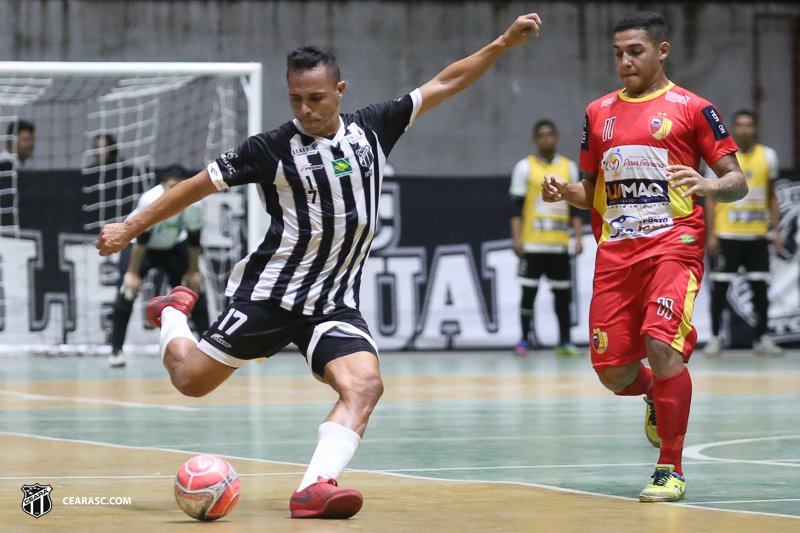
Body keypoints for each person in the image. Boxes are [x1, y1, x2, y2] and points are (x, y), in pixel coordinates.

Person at [96, 13, 543, 519]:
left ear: (339, 90)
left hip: (332, 303)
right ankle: (174, 312)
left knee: (365, 385)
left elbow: (446, 81)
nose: (305, 110)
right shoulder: (269, 149)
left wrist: (504, 42)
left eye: (316, 98)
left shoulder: (374, 127)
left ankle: (314, 487)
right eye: (295, 99)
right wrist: (129, 227)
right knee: (189, 381)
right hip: (269, 296)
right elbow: (194, 185)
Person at [542, 11, 746, 502]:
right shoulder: (598, 113)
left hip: (673, 246)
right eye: (618, 53)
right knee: (614, 372)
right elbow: (591, 190)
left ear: (662, 51)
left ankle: (669, 469)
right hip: (616, 254)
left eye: (635, 51)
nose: (625, 61)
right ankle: (655, 391)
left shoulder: (693, 108)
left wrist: (709, 184)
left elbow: (737, 181)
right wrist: (564, 190)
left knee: (662, 343)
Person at [107, 164, 209, 367]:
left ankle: (209, 348)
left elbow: (194, 240)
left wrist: (193, 271)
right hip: (142, 248)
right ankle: (116, 350)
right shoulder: (150, 200)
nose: (177, 192)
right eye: (172, 187)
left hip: (172, 246)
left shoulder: (194, 204)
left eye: (181, 187)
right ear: (162, 186)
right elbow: (142, 240)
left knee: (195, 288)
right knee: (127, 291)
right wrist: (132, 273)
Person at [703, 110, 783, 356]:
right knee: (720, 288)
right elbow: (710, 199)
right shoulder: (722, 158)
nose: (744, 130)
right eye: (740, 125)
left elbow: (771, 195)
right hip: (728, 235)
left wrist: (777, 230)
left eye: (749, 126)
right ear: (733, 129)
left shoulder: (768, 156)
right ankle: (715, 338)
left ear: (755, 129)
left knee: (760, 289)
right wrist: (712, 234)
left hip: (757, 235)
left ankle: (762, 338)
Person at [510, 119, 583, 357]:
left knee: (563, 296)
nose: (546, 139)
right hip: (533, 244)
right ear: (535, 139)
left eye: (550, 135)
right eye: (541, 135)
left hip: (559, 244)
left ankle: (565, 342)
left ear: (557, 137)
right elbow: (515, 208)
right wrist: (517, 238)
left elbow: (575, 206)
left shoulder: (569, 167)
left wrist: (578, 237)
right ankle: (523, 340)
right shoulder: (524, 167)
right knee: (528, 294)